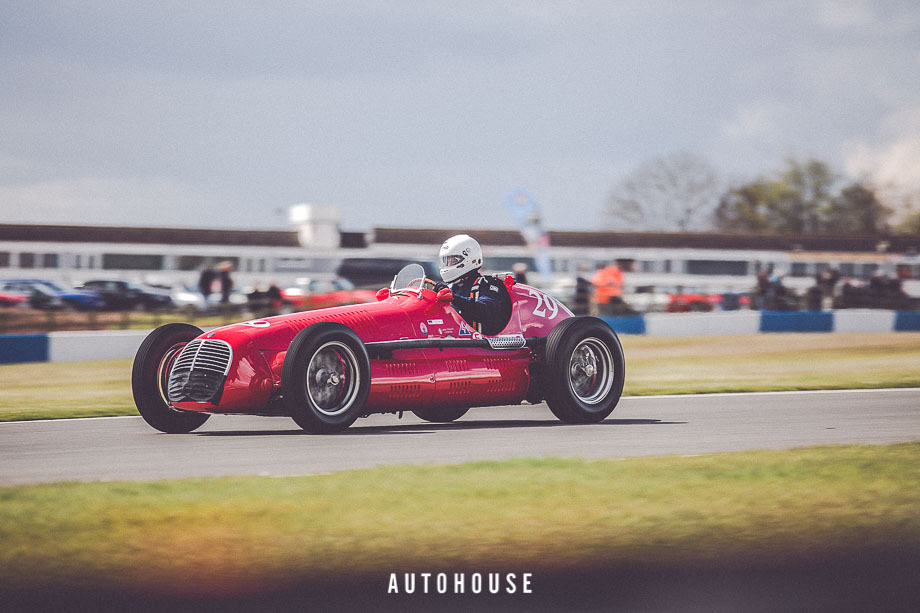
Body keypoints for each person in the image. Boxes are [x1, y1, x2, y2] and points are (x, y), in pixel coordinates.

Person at [436, 234, 512, 336]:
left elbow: (486, 311)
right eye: (446, 261)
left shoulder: (489, 284)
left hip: (481, 345)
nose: (448, 264)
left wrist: (453, 298)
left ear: (468, 259)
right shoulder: (451, 288)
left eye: (453, 260)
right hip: (451, 340)